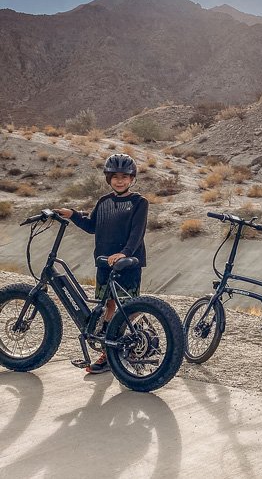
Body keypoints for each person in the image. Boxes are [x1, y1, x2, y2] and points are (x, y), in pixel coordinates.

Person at [56, 153, 148, 374]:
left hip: (128, 263)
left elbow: (137, 234)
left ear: (132, 179)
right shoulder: (104, 201)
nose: (119, 181)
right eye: (115, 176)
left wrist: (123, 253)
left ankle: (138, 345)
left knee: (129, 307)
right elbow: (91, 226)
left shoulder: (139, 202)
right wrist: (73, 215)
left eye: (124, 177)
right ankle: (108, 353)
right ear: (108, 178)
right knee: (108, 305)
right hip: (104, 263)